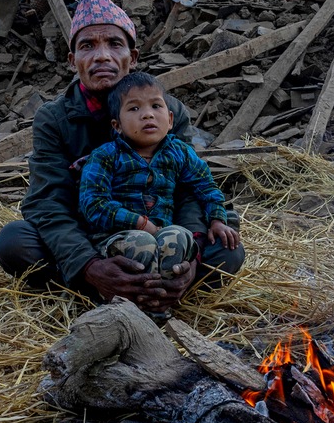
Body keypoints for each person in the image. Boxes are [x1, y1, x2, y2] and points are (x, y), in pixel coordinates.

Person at [0, 0, 245, 314]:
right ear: (72, 60)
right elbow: (47, 202)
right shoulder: (54, 119)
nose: (102, 56)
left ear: (133, 57)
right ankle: (103, 283)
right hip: (91, 232)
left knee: (227, 246)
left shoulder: (167, 112)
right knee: (15, 242)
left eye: (115, 43)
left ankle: (166, 282)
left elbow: (189, 190)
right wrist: (89, 266)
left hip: (163, 228)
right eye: (88, 46)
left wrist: (190, 258)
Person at [79, 72, 240, 286]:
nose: (148, 115)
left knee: (181, 236)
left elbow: (206, 186)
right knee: (142, 241)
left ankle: (163, 298)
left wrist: (217, 220)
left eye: (156, 106)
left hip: (163, 235)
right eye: (134, 108)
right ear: (117, 126)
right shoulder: (105, 156)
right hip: (115, 237)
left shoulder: (179, 152)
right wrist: (140, 224)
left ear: (171, 119)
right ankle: (132, 304)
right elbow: (93, 204)